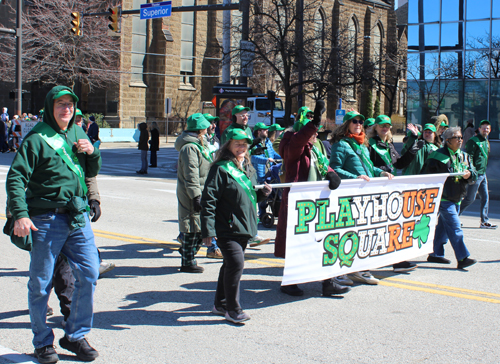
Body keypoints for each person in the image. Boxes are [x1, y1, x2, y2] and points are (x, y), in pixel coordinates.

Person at [6, 86, 101, 363]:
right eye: (61, 104)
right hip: (46, 219)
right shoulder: (37, 138)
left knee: (90, 273)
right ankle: (42, 342)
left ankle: (74, 335)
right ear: (50, 107)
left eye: (70, 105)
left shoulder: (78, 132)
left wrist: (91, 152)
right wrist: (21, 214)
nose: (66, 110)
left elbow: (91, 171)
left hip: (77, 216)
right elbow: (15, 179)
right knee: (40, 283)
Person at [275, 101, 346, 297]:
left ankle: (328, 282)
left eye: (317, 132)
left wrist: (331, 174)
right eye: (313, 131)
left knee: (324, 239)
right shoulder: (292, 144)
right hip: (300, 202)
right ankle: (290, 281)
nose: (316, 135)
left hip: (318, 201)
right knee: (298, 241)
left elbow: (322, 165)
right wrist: (314, 122)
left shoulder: (315, 148)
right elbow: (299, 141)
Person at [201, 128, 272, 323]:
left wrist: (263, 194)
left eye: (244, 144)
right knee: (236, 264)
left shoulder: (246, 167)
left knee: (229, 265)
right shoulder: (220, 169)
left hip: (243, 226)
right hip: (227, 227)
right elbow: (209, 201)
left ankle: (220, 303)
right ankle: (233, 309)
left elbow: (246, 197)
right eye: (237, 143)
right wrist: (208, 230)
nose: (242, 147)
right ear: (228, 145)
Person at [329, 111, 394, 285]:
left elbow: (369, 168)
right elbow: (334, 169)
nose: (359, 124)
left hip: (364, 196)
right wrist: (354, 178)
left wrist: (380, 172)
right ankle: (338, 271)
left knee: (362, 233)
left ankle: (359, 269)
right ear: (347, 124)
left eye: (361, 122)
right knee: (346, 234)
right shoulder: (341, 144)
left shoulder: (362, 145)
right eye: (355, 121)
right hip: (348, 196)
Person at [367, 115, 419, 273]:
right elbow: (368, 166)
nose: (385, 128)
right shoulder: (370, 144)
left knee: (393, 225)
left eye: (388, 126)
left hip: (390, 189)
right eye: (382, 125)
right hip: (375, 190)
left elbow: (399, 163)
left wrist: (414, 145)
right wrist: (382, 172)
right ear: (376, 127)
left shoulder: (388, 145)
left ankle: (397, 260)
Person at [423, 127, 478, 269]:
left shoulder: (464, 156)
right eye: (456, 138)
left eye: (460, 137)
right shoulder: (436, 156)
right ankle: (463, 257)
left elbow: (474, 174)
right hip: (444, 198)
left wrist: (469, 174)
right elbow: (426, 176)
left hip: (457, 197)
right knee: (455, 227)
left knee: (443, 228)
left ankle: (435, 254)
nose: (460, 140)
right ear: (447, 141)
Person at [175, 113, 212, 272]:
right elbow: (191, 174)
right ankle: (187, 262)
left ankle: (187, 253)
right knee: (192, 226)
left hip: (200, 190)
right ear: (200, 129)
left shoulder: (198, 144)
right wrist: (196, 196)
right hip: (192, 193)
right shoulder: (190, 148)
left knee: (199, 227)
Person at [459, 120, 497, 229]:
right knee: (470, 199)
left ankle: (484, 221)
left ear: (489, 131)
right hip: (475, 174)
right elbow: (468, 157)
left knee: (485, 197)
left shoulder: (486, 141)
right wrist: (471, 171)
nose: (486, 130)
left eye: (488, 128)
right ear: (479, 129)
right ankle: (454, 216)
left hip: (483, 174)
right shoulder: (473, 141)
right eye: (484, 128)